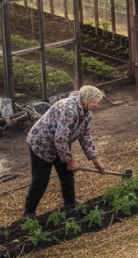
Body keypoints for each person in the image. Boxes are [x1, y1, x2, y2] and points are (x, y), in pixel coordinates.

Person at [24, 85, 106, 219]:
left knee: (67, 174)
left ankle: (70, 203)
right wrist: (70, 160)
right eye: (95, 102)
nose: (97, 105)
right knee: (41, 179)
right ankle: (29, 212)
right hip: (41, 143)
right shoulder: (69, 110)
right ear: (85, 100)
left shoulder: (86, 114)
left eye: (98, 102)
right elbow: (60, 139)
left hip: (59, 145)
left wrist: (95, 160)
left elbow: (86, 137)